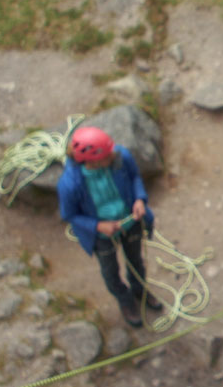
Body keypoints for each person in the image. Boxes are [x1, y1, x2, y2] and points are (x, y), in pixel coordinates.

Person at [58, 126, 163, 328]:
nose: (113, 157)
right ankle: (125, 301)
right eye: (106, 156)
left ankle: (140, 291)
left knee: (136, 262)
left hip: (129, 221)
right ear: (91, 160)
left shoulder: (119, 157)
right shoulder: (69, 184)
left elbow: (135, 178)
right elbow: (69, 215)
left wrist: (139, 199)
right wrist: (98, 226)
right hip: (101, 235)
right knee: (110, 272)